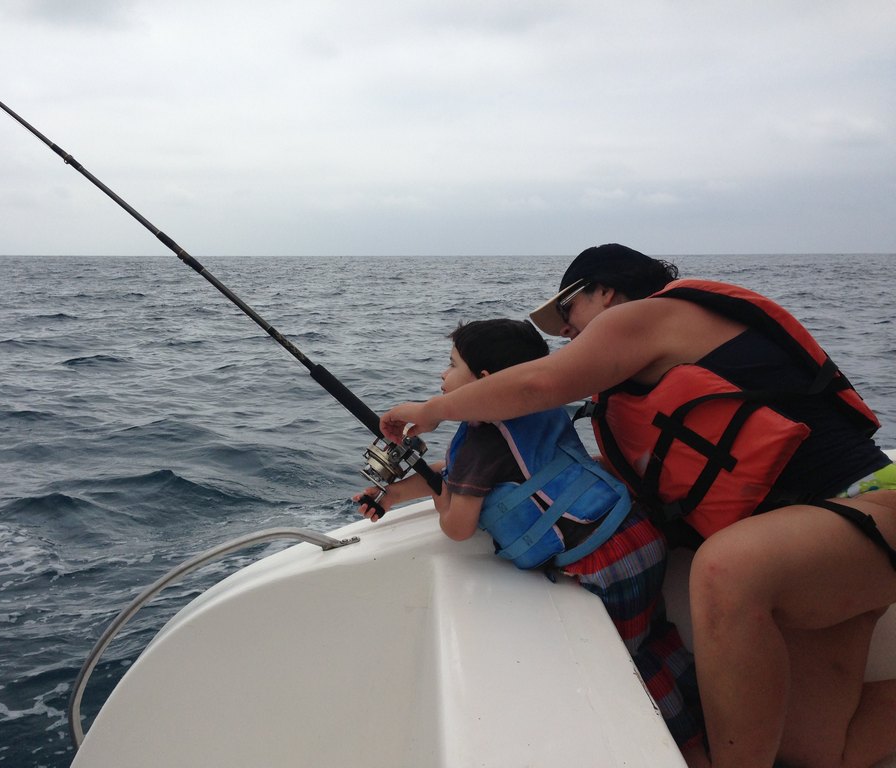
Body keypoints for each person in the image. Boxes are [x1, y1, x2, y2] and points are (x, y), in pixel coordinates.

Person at [378, 244, 896, 768]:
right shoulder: (636, 384)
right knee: (817, 753)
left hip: (870, 503)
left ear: (605, 291)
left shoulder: (651, 315)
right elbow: (558, 475)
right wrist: (413, 487)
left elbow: (539, 383)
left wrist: (433, 410)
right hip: (820, 550)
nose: (565, 334)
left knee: (727, 569)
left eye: (568, 312)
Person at [354, 318, 705, 760]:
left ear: (483, 381)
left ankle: (691, 753)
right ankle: (703, 713)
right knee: (656, 640)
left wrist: (442, 501)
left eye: (451, 364)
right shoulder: (532, 408)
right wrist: (396, 494)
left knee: (635, 668)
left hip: (606, 562)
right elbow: (474, 477)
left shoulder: (480, 442)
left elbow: (457, 525)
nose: (441, 376)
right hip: (634, 532)